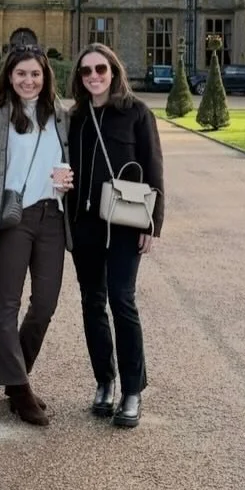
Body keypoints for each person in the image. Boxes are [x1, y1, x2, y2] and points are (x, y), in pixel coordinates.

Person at [0, 44, 74, 427]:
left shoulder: (60, 117)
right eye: (21, 75)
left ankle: (18, 379)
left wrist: (67, 180)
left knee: (45, 305)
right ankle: (19, 387)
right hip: (14, 218)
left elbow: (67, 164)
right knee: (7, 305)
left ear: (46, 77)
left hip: (52, 217)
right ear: (9, 79)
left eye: (35, 74)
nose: (28, 81)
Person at [66, 42, 165, 430]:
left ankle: (132, 389)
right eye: (87, 71)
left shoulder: (137, 113)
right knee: (92, 302)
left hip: (125, 223)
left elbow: (154, 170)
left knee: (122, 301)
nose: (94, 77)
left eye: (100, 70)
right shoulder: (75, 117)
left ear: (114, 72)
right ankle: (104, 381)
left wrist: (153, 224)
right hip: (86, 224)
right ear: (79, 77)